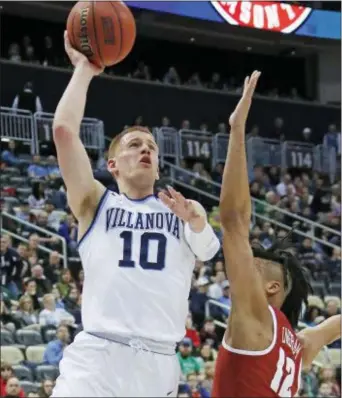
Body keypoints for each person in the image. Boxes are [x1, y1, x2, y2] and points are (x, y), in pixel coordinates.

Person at [50, 31, 220, 397]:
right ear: (112, 164)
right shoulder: (96, 202)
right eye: (134, 145)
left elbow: (208, 251)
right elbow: (64, 132)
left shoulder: (183, 209)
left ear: (158, 167)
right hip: (98, 357)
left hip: (158, 364)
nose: (145, 150)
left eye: (152, 147)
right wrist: (83, 69)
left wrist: (196, 222)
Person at [212, 71, 342, 398]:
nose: (236, 268)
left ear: (271, 287)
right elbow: (330, 329)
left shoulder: (257, 315)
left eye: (249, 266)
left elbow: (234, 220)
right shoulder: (297, 346)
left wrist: (237, 129)